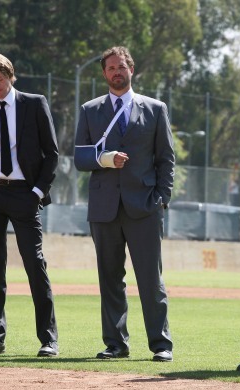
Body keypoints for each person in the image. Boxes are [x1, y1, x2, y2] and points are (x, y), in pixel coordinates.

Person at [75, 46, 175, 362]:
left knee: (150, 280)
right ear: (104, 74)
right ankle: (116, 344)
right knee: (110, 279)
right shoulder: (89, 110)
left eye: (121, 67)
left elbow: (166, 159)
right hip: (104, 209)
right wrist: (105, 159)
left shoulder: (155, 109)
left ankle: (161, 345)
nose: (116, 72)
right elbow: (79, 157)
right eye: (110, 68)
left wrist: (162, 198)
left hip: (144, 206)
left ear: (131, 69)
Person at [0, 52, 59, 357]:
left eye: (0, 79)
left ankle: (48, 340)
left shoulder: (34, 104)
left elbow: (52, 153)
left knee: (35, 264)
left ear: (10, 75)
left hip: (24, 194)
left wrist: (36, 192)